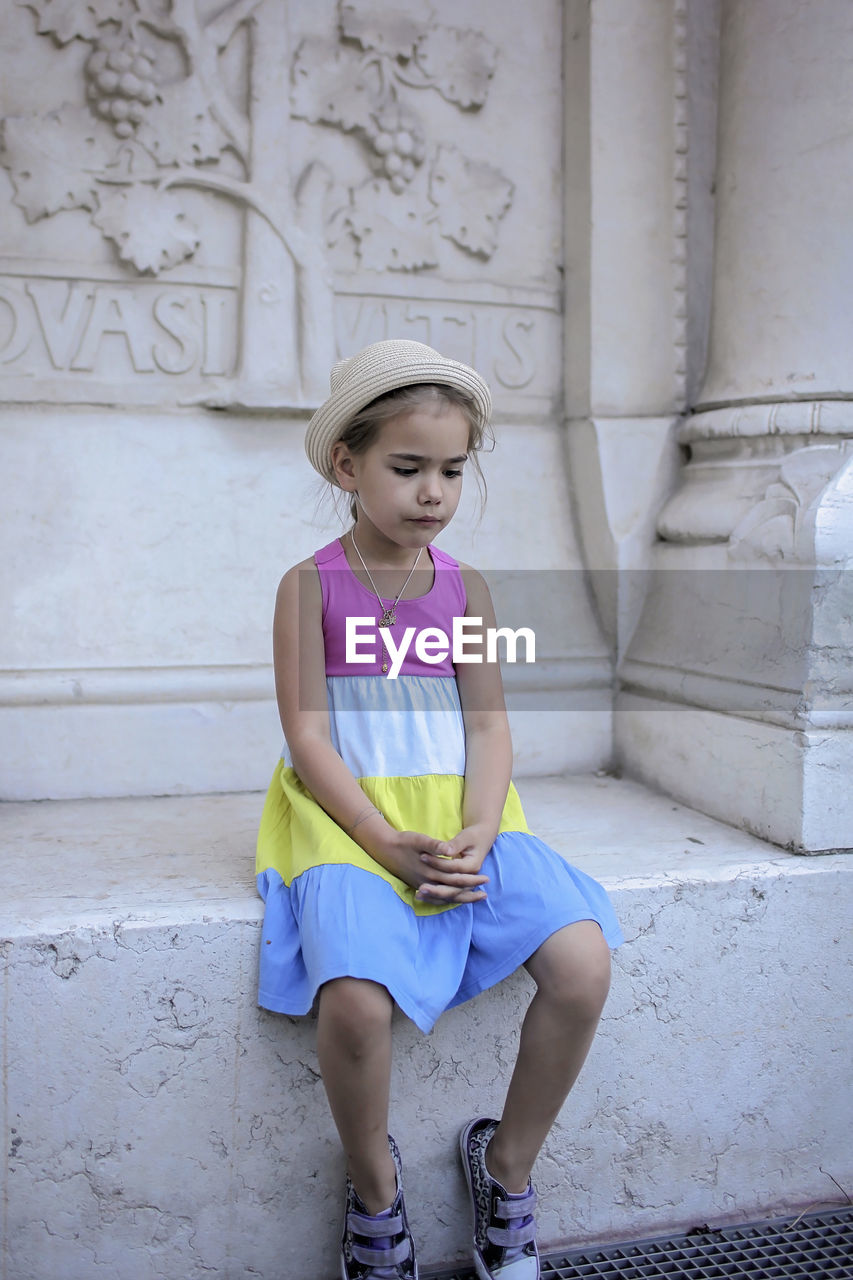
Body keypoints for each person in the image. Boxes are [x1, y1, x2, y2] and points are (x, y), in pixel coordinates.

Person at [256, 339, 623, 1280]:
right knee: (353, 1006)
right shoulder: (311, 587)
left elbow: (489, 727)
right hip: (352, 816)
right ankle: (374, 1190)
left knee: (581, 964)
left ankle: (506, 1168)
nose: (432, 492)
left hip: (466, 814)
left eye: (452, 471)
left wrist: (479, 828)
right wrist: (384, 844)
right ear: (347, 463)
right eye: (406, 467)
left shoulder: (466, 589)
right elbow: (309, 740)